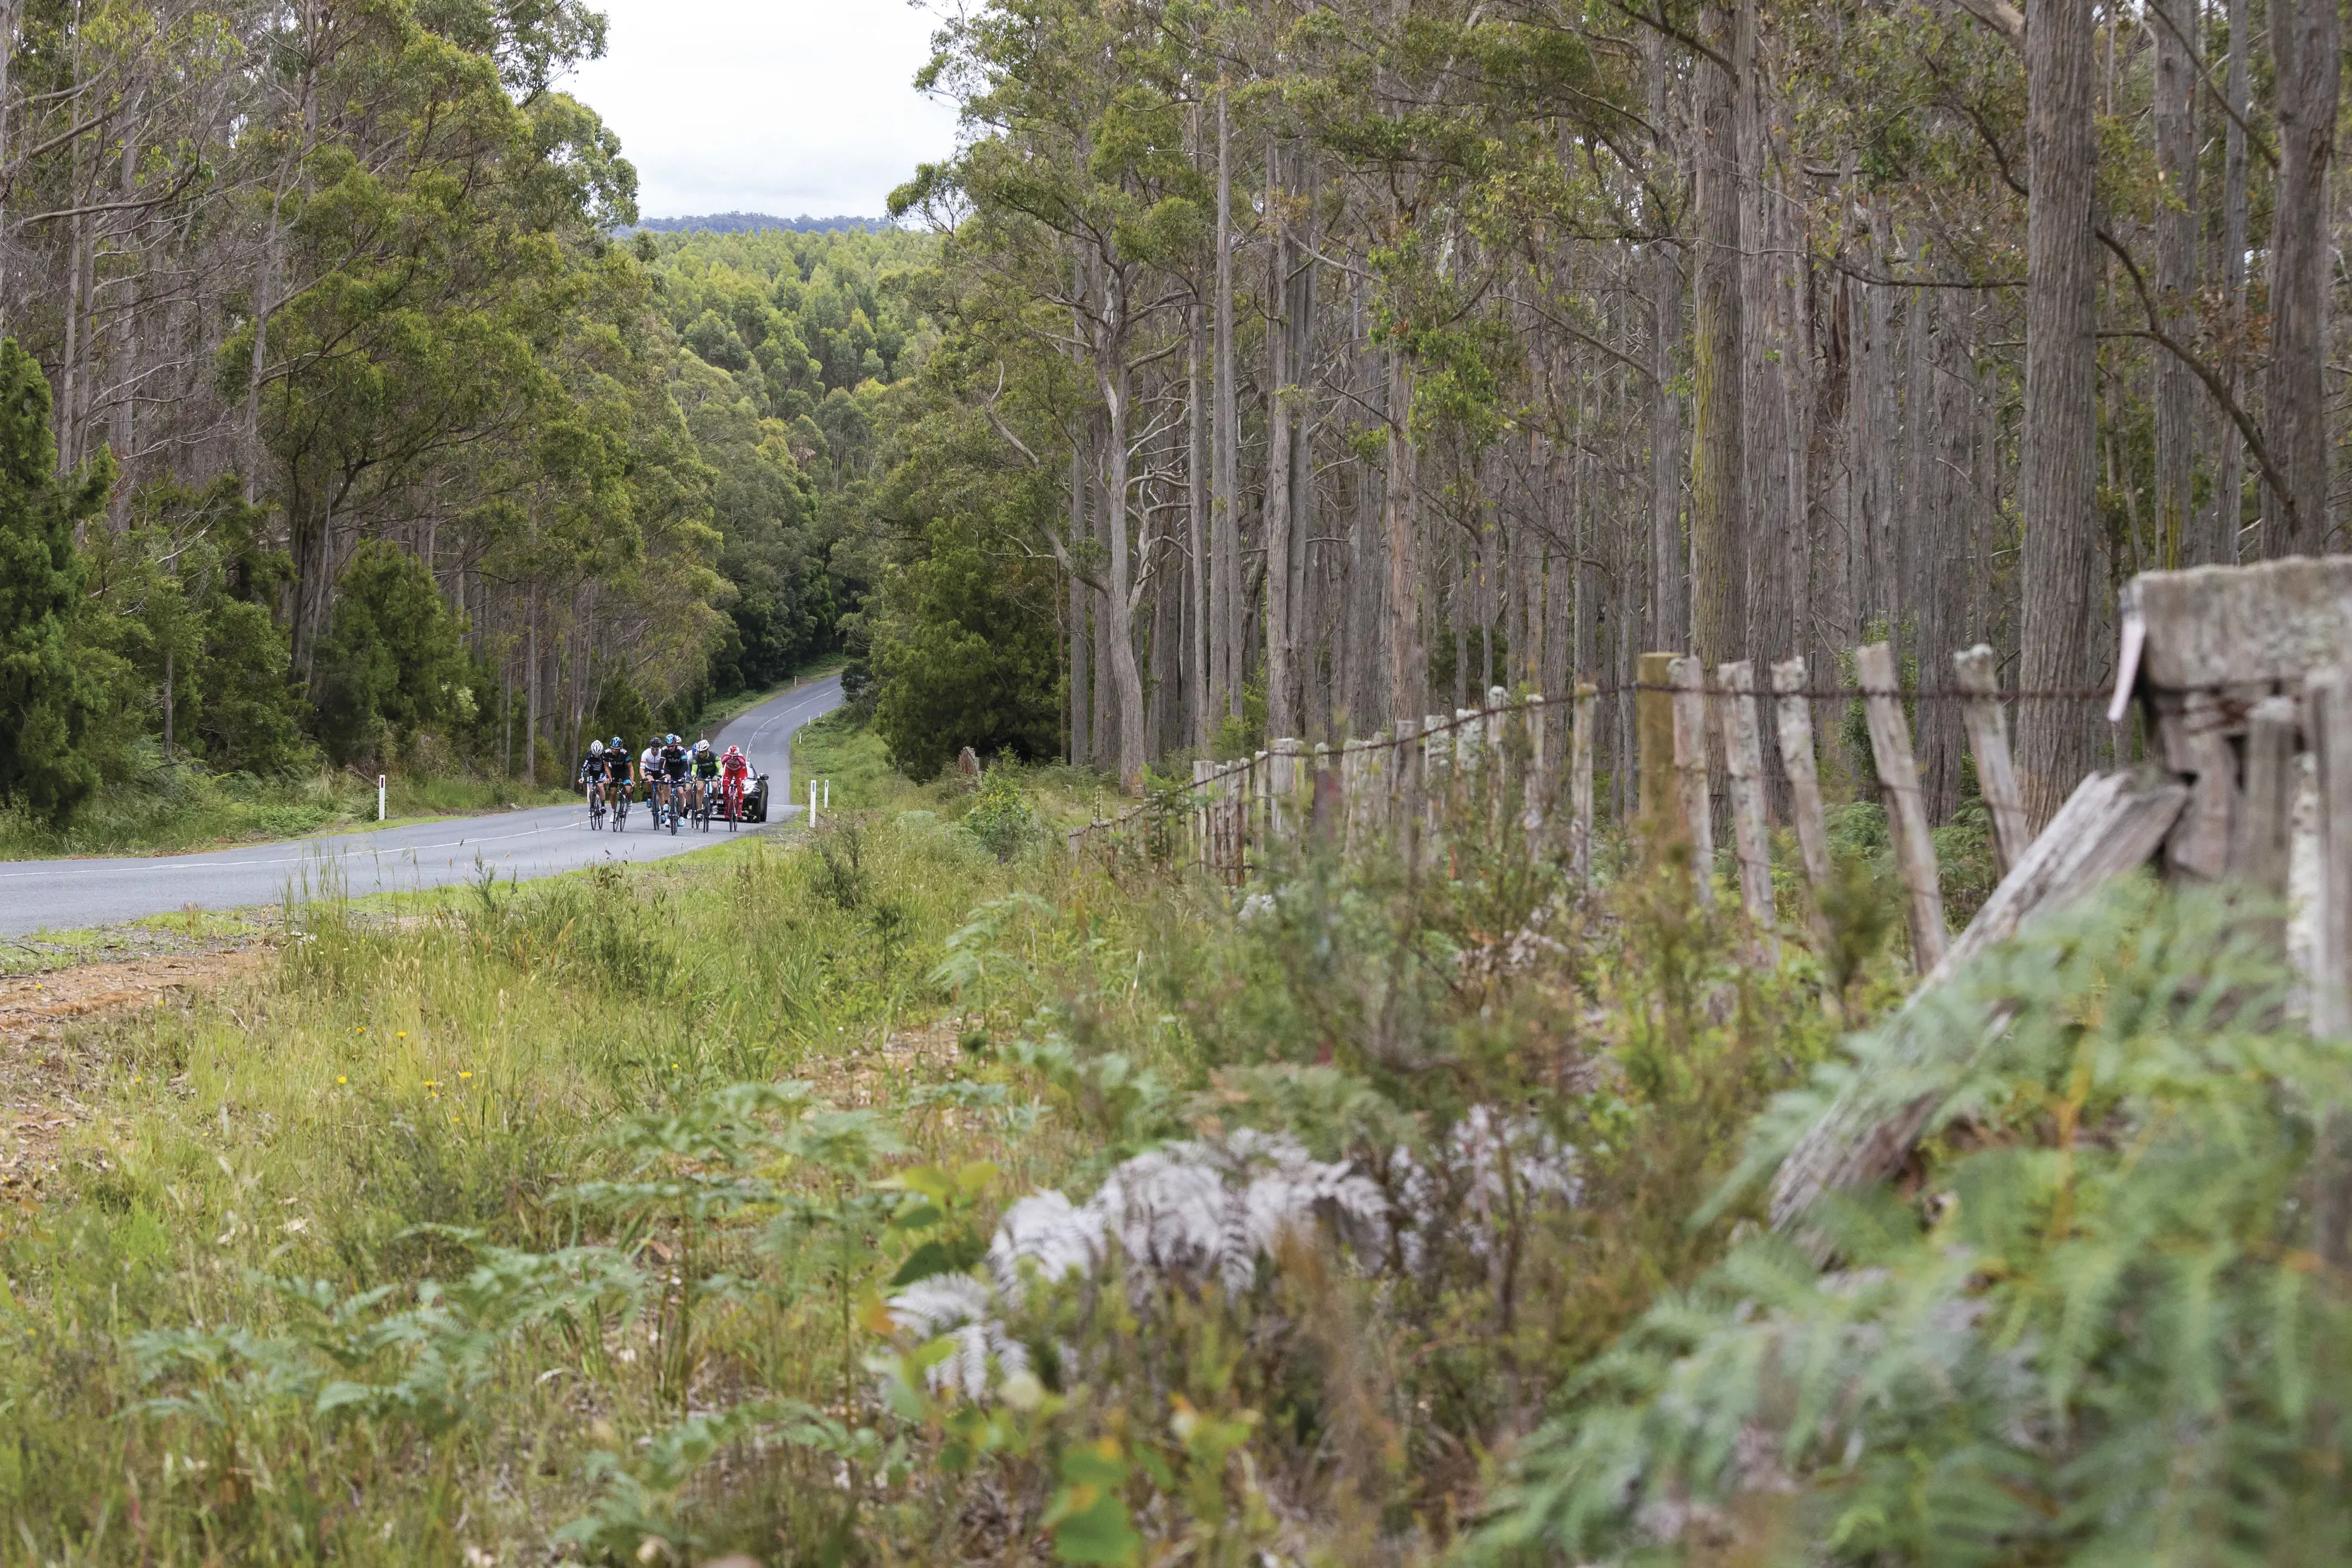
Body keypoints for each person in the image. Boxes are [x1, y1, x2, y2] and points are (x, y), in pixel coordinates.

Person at [657, 733, 691, 824]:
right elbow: (661, 763)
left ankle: (681, 815)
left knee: (680, 792)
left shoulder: (681, 750)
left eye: (672, 746)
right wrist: (662, 774)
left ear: (675, 744)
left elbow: (685, 765)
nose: (670, 748)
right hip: (669, 770)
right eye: (669, 746)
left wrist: (683, 777)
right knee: (666, 781)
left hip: (680, 770)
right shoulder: (664, 750)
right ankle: (666, 803)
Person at [604, 737, 634, 827]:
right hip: (614, 772)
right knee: (613, 792)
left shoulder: (625, 754)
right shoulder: (607, 753)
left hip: (624, 772)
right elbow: (606, 767)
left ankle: (629, 802)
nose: (614, 750)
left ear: (620, 748)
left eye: (616, 749)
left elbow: (631, 768)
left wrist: (632, 780)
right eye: (612, 748)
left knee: (628, 789)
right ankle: (614, 812)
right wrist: (609, 777)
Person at [690, 738, 720, 820]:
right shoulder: (696, 758)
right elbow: (694, 770)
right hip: (703, 773)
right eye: (699, 752)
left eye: (703, 752)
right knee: (699, 789)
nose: (701, 754)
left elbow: (720, 768)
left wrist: (719, 776)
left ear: (707, 750)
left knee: (714, 785)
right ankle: (699, 812)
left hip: (714, 772)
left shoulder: (714, 756)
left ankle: (714, 803)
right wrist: (694, 776)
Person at [720, 744, 751, 822]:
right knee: (725, 789)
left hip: (739, 772)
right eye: (731, 756)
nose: (733, 758)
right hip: (729, 772)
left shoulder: (741, 758)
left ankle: (740, 811)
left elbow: (745, 772)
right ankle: (728, 807)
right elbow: (720, 768)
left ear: (737, 754)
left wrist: (743, 781)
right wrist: (720, 777)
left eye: (735, 756)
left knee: (740, 790)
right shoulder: (725, 757)